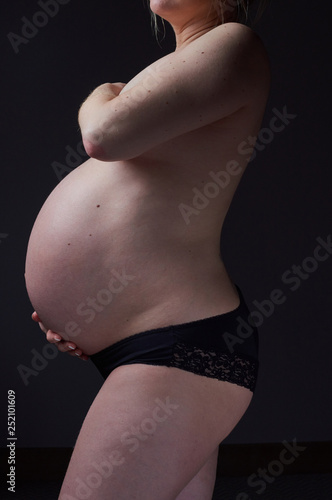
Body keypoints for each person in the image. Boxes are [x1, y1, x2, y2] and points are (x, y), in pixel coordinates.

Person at [26, 0, 270, 498]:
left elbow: (102, 134)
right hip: (152, 345)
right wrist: (81, 314)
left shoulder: (233, 43)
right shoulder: (175, 70)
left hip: (179, 347)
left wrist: (100, 94)